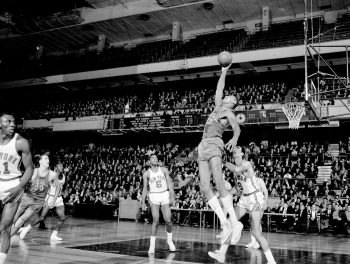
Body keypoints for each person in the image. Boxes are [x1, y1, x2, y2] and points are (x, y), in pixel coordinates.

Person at [197, 62, 243, 249]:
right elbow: (219, 87)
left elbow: (237, 127)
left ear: (232, 103)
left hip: (215, 144)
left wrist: (235, 138)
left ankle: (235, 222)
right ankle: (225, 223)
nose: (227, 95)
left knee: (219, 182)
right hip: (202, 145)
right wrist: (224, 71)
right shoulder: (217, 106)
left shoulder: (228, 112)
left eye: (231, 97)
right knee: (205, 187)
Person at [209, 147, 276, 264]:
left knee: (256, 232)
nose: (235, 150)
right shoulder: (236, 171)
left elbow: (236, 168)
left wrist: (223, 162)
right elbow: (238, 188)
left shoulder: (246, 164)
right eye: (234, 150)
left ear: (242, 154)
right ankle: (221, 254)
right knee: (229, 223)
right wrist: (226, 194)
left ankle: (271, 261)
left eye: (238, 149)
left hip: (254, 198)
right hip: (244, 199)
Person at [0, 113, 34, 264]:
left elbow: (29, 169)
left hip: (12, 184)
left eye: (14, 122)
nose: (12, 124)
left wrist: (19, 187)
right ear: (0, 124)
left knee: (4, 227)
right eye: (8, 121)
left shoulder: (21, 142)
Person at [10, 154, 59, 237]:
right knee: (14, 217)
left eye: (48, 159)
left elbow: (58, 188)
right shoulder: (33, 171)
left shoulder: (52, 174)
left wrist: (53, 200)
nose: (48, 160)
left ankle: (7, 238)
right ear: (40, 161)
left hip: (37, 203)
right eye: (46, 158)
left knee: (21, 220)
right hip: (27, 197)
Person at [19, 161, 66, 241]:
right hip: (50, 197)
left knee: (63, 218)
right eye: (60, 166)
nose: (62, 167)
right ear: (55, 168)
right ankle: (26, 228)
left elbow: (62, 187)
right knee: (42, 218)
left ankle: (54, 235)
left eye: (62, 166)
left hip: (58, 198)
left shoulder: (64, 176)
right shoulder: (51, 175)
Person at [141, 154, 176, 254]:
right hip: (154, 196)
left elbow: (169, 183)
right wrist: (143, 202)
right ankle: (152, 245)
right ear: (149, 161)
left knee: (168, 220)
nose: (155, 159)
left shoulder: (164, 170)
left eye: (156, 158)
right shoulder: (146, 173)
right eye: (153, 158)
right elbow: (144, 188)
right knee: (155, 220)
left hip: (164, 194)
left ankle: (169, 241)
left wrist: (172, 196)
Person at [244, 173, 268, 249]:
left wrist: (265, 202)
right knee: (251, 222)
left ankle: (258, 241)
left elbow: (265, 191)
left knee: (257, 222)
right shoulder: (248, 181)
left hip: (260, 202)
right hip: (251, 203)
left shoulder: (259, 180)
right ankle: (252, 241)